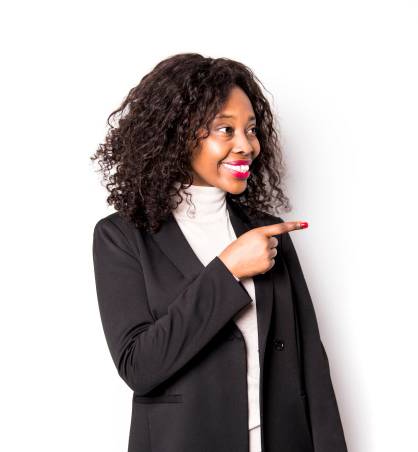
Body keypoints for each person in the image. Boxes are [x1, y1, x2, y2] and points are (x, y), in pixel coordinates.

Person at [90, 53, 347, 452]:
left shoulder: (267, 231)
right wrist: (227, 270)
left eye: (251, 129)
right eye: (225, 130)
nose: (246, 145)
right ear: (176, 133)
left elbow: (311, 363)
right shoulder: (121, 236)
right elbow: (139, 367)